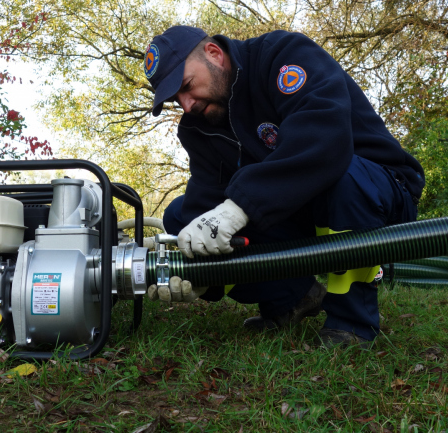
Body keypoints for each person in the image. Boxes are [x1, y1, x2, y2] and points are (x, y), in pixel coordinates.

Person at [143, 26, 424, 347]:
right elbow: (205, 199)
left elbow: (324, 137)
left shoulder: (281, 55)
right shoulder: (198, 127)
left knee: (340, 177)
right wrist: (198, 277)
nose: (186, 104)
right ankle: (292, 298)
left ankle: (351, 324)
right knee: (181, 217)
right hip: (299, 208)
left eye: (187, 86)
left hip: (378, 187)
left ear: (214, 54)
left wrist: (238, 208)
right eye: (175, 99)